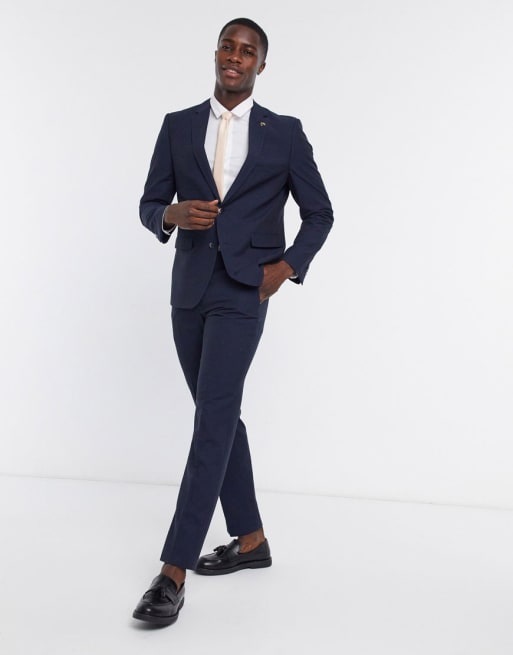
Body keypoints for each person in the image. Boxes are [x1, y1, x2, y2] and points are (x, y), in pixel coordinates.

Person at [132, 17, 334, 626]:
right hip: (189, 291)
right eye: (228, 46)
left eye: (248, 51)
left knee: (212, 421)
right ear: (216, 53)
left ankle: (172, 571)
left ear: (260, 66)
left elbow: (320, 213)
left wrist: (287, 268)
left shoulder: (285, 133)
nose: (235, 56)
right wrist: (171, 214)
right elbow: (148, 204)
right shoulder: (178, 126)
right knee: (217, 416)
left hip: (246, 291)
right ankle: (251, 540)